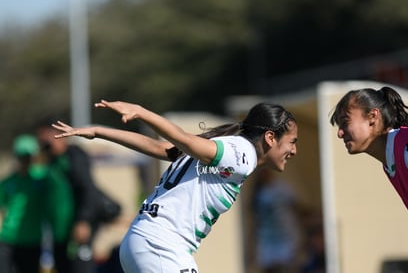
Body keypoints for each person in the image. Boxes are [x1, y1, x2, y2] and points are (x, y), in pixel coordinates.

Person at [51, 100, 298, 273]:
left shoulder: (228, 147)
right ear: (269, 138)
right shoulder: (242, 153)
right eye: (292, 142)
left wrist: (99, 131)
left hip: (143, 241)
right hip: (161, 246)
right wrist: (141, 112)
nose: (294, 150)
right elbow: (185, 140)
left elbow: (160, 148)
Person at [330, 86, 408, 218]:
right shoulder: (391, 159)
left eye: (345, 122)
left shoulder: (406, 148)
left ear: (373, 117)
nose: (340, 133)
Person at [36, 119, 102, 273]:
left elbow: (87, 188)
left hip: (76, 225)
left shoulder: (73, 156)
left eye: (49, 137)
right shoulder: (50, 160)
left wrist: (83, 220)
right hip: (59, 229)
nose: (45, 142)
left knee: (80, 267)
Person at [0, 134, 46, 273]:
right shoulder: (7, 182)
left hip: (32, 240)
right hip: (8, 239)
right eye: (22, 157)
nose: (25, 161)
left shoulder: (42, 179)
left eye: (28, 157)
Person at [252, 168, 302, 273]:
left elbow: (296, 207)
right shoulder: (257, 192)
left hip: (286, 236)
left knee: (288, 267)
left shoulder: (282, 188)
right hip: (267, 239)